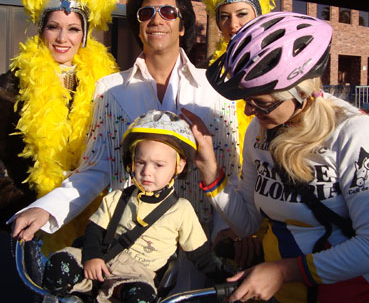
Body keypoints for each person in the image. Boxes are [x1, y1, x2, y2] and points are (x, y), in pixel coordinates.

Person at [11, 0, 240, 251]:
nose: (157, 20)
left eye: (168, 12)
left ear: (183, 26)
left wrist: (225, 229)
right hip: (127, 246)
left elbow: (230, 169)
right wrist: (48, 209)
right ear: (139, 27)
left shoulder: (214, 89)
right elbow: (96, 168)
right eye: (146, 13)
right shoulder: (110, 90)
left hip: (198, 244)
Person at [184, 11, 369, 303]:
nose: (250, 112)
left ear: (301, 93)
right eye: (247, 100)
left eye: (262, 104)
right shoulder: (260, 132)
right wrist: (210, 173)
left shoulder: (353, 131)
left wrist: (285, 271)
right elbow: (248, 223)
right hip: (278, 293)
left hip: (343, 293)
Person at [0, 0, 120, 255]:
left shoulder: (108, 85)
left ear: (84, 34)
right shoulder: (9, 86)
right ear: (41, 31)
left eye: (73, 29)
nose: (62, 38)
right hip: (25, 225)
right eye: (53, 27)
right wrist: (21, 208)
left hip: (94, 224)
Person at [41, 110, 230, 303]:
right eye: (141, 162)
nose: (147, 172)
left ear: (179, 166)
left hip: (135, 275)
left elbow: (200, 255)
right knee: (57, 267)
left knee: (141, 297)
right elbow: (94, 231)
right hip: (98, 263)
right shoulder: (117, 198)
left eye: (158, 165)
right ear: (132, 162)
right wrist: (92, 257)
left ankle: (111, 293)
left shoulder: (181, 210)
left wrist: (227, 281)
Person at [181, 0, 276, 269]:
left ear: (258, 15)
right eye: (224, 17)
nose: (233, 25)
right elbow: (225, 162)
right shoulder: (212, 83)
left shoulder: (285, 76)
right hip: (231, 218)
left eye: (242, 14)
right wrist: (230, 225)